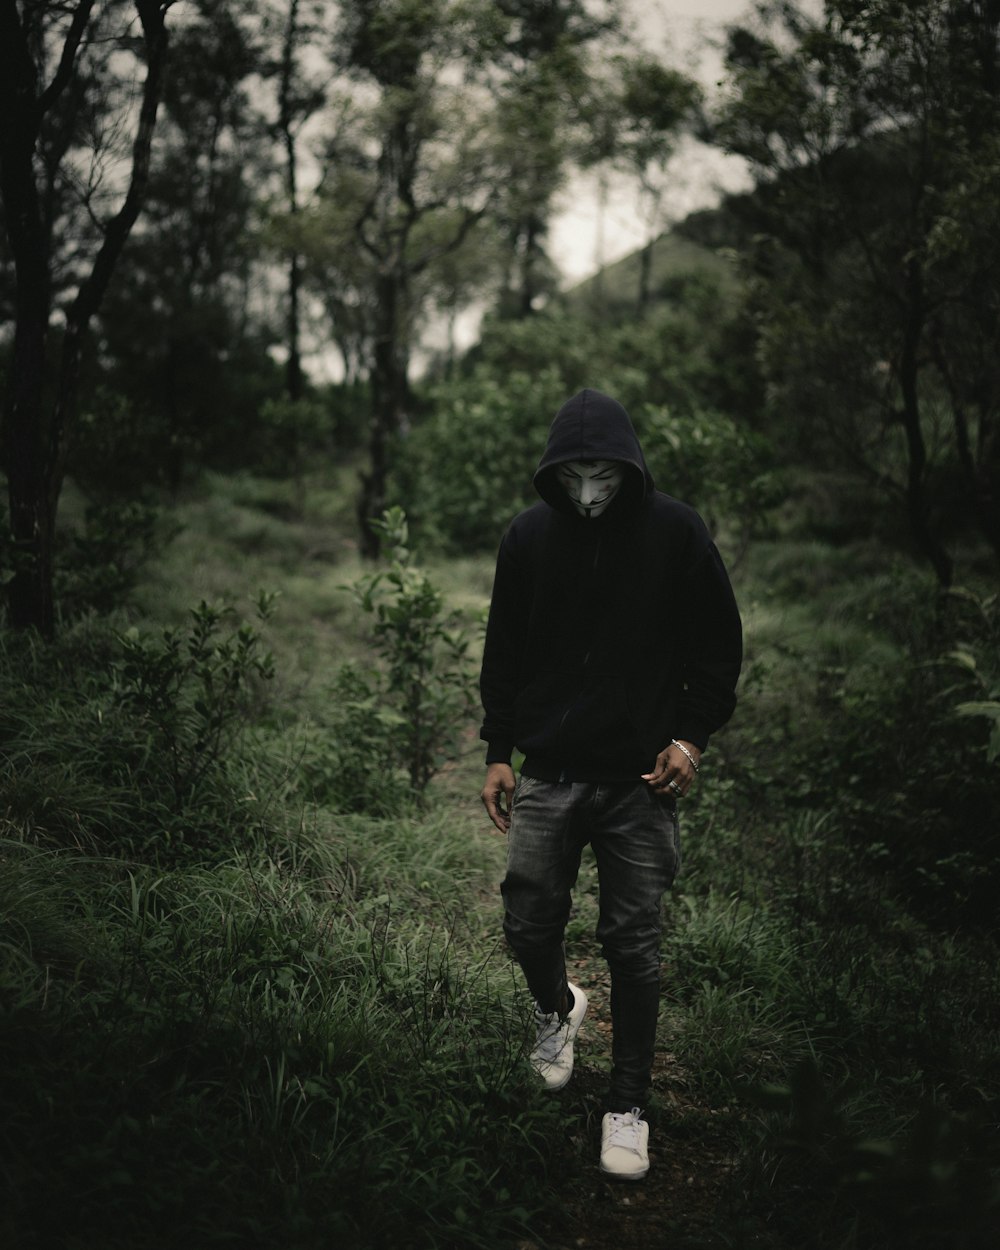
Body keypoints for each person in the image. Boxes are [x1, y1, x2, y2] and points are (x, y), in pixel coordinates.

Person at [479, 388, 742, 1180]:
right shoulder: (528, 536)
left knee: (633, 945)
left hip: (638, 781)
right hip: (550, 771)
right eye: (573, 476)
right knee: (528, 924)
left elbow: (716, 647)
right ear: (553, 473)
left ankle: (627, 1105)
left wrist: (690, 740)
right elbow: (505, 651)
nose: (589, 493)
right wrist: (499, 749)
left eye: (605, 476)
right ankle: (558, 1012)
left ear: (629, 469)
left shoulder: (677, 532)